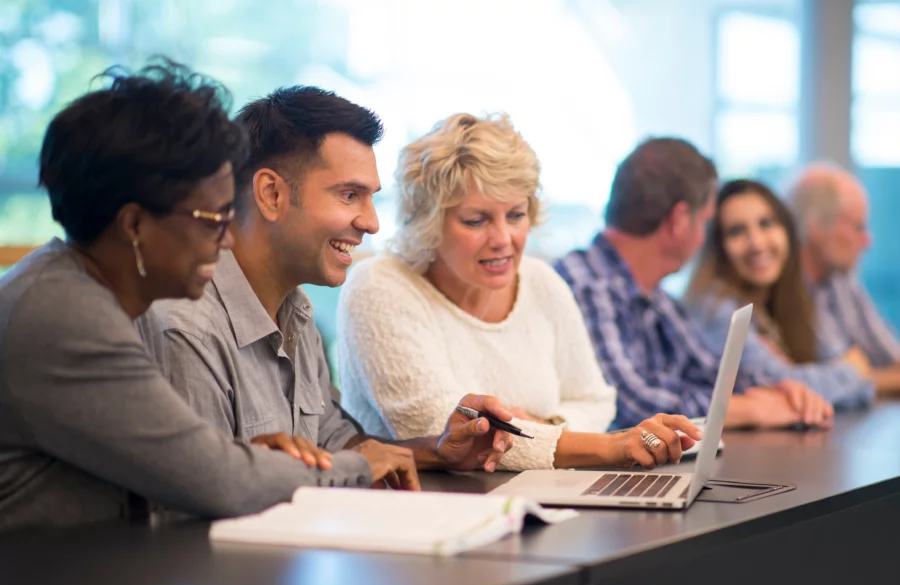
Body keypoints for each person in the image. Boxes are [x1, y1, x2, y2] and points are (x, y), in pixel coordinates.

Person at [0, 61, 505, 534]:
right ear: (134, 224)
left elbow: (305, 446)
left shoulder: (98, 300)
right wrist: (286, 466)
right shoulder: (68, 316)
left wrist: (430, 452)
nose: (224, 240)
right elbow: (215, 483)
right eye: (211, 219)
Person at [139, 87, 513, 480]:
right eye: (350, 195)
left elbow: (334, 443)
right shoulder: (187, 328)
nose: (371, 222)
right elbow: (207, 493)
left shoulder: (295, 311)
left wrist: (437, 451)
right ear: (271, 194)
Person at [337, 113, 704, 473]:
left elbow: (595, 399)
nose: (503, 240)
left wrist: (548, 423)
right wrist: (610, 445)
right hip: (421, 511)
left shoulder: (539, 280)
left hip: (538, 500)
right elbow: (446, 432)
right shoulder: (379, 286)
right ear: (427, 223)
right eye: (476, 221)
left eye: (515, 215)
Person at [554, 137, 834, 431]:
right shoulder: (587, 285)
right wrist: (751, 409)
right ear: (679, 221)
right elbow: (628, 404)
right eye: (705, 221)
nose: (703, 239)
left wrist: (782, 392)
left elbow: (712, 371)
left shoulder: (658, 298)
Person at [683, 178, 874, 409]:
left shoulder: (782, 299)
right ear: (717, 248)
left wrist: (849, 375)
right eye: (736, 231)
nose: (756, 243)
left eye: (766, 224)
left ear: (787, 231)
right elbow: (783, 387)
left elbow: (860, 384)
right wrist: (852, 371)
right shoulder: (714, 309)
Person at [787, 163, 900, 394]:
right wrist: (858, 374)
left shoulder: (842, 281)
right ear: (816, 227)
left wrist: (862, 374)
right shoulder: (784, 292)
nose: (868, 241)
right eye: (858, 227)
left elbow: (889, 357)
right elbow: (840, 381)